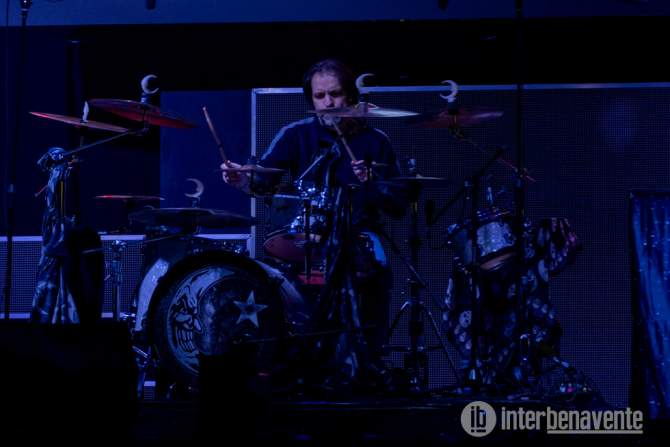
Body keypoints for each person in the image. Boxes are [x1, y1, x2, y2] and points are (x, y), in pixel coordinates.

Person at [223, 58, 406, 393]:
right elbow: (264, 182)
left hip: (361, 241)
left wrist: (374, 182)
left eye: (335, 94)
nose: (328, 102)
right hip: (307, 242)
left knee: (375, 272)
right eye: (320, 96)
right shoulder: (295, 135)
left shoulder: (376, 141)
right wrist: (241, 180)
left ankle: (365, 365)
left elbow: (398, 203)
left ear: (351, 96)